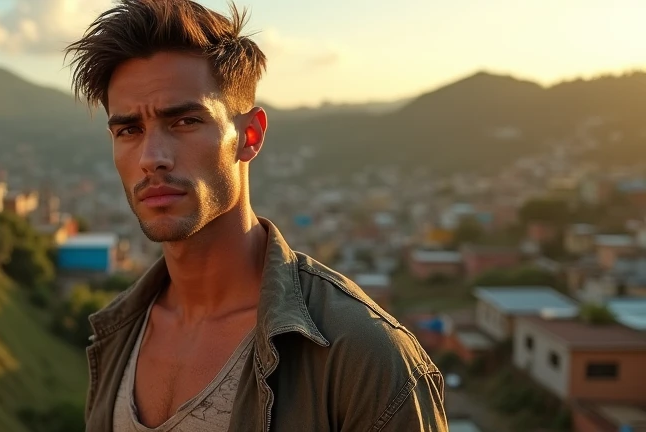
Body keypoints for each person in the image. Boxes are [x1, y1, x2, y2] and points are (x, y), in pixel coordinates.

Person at [65, 1, 449, 431]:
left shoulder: (364, 358)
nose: (152, 158)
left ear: (249, 135)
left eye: (186, 121)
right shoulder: (117, 335)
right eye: (129, 130)